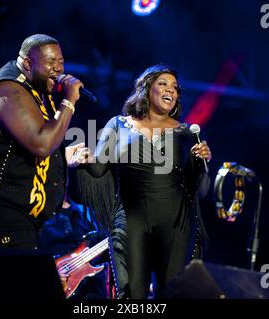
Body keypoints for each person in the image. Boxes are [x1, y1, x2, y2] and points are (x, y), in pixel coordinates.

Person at [0, 34, 89, 251]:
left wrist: (62, 158)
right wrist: (68, 101)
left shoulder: (37, 86)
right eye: (51, 62)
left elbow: (28, 146)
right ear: (28, 63)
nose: (58, 69)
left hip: (13, 207)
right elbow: (41, 145)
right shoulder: (10, 91)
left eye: (61, 62)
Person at [78, 64, 212, 298]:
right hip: (130, 219)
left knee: (169, 294)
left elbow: (201, 191)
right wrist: (79, 158)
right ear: (146, 89)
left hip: (175, 223)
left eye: (175, 87)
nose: (171, 89)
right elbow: (98, 168)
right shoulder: (118, 124)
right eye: (163, 84)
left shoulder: (187, 133)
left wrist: (200, 164)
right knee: (130, 294)